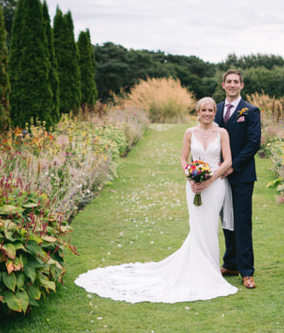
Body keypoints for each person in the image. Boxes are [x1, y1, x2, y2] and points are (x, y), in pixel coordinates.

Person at [73, 97, 238, 303]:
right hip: (194, 184)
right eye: (204, 110)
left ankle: (210, 269)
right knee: (197, 225)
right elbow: (183, 158)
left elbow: (228, 160)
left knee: (210, 225)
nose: (207, 113)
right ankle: (197, 268)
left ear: (215, 112)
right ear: (198, 112)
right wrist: (190, 177)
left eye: (211, 110)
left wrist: (210, 179)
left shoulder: (222, 132)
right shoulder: (189, 132)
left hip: (215, 186)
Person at [215, 69, 261, 289]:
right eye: (229, 81)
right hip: (218, 176)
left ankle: (247, 271)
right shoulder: (215, 110)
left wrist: (232, 165)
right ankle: (230, 263)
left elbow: (253, 143)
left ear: (242, 85)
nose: (232, 85)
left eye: (236, 82)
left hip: (241, 175)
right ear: (223, 85)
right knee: (226, 221)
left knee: (242, 222)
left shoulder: (251, 111)